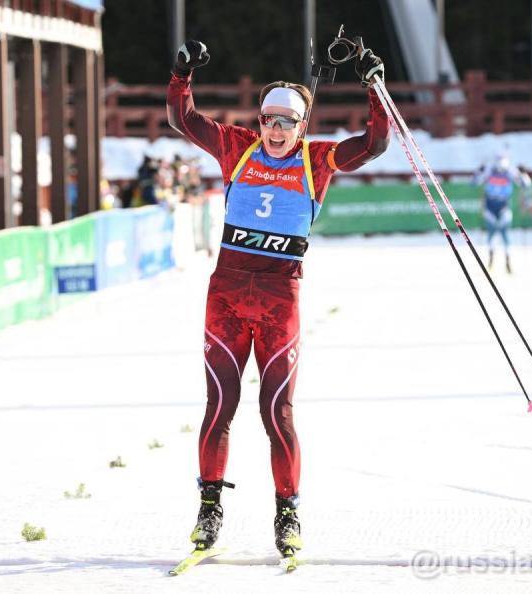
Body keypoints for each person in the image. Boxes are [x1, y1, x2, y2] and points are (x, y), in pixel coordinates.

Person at [167, 39, 389, 558]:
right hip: (226, 297)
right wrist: (181, 74)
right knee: (219, 405)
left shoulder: (319, 159)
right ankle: (208, 510)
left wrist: (374, 87)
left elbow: (375, 143)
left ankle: (287, 514)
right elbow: (184, 120)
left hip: (277, 302)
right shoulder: (237, 147)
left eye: (287, 122)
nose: (276, 130)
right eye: (269, 119)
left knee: (277, 413)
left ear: (302, 126)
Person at [473, 153, 532, 274]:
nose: (500, 170)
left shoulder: (509, 171)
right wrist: (479, 171)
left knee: (505, 234)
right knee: (491, 234)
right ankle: (490, 261)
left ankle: (507, 262)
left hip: (504, 206)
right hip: (490, 207)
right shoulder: (490, 170)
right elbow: (474, 182)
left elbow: (525, 184)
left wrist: (523, 173)